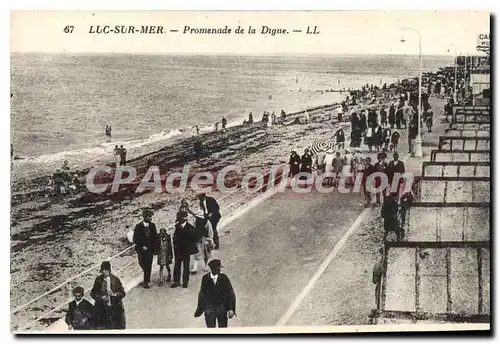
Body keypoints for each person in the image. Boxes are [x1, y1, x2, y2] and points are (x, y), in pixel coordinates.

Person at [194, 259, 236, 328]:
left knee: (223, 330)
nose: (219, 270)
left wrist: (231, 309)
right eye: (218, 268)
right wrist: (200, 309)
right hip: (209, 310)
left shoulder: (224, 278)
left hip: (222, 309)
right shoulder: (205, 278)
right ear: (213, 269)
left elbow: (231, 293)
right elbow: (202, 294)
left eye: (219, 268)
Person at [91, 261, 126, 330]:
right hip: (102, 309)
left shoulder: (115, 279)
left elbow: (123, 293)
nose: (104, 272)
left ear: (109, 270)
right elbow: (93, 293)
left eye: (106, 270)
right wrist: (101, 298)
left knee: (116, 328)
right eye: (103, 270)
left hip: (114, 309)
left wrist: (114, 294)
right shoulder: (98, 280)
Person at [133, 209, 160, 289]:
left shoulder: (152, 225)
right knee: (142, 263)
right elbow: (136, 239)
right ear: (144, 217)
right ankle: (146, 277)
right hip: (141, 250)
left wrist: (156, 247)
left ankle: (146, 281)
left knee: (149, 264)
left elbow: (155, 237)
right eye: (149, 216)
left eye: (151, 216)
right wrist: (142, 246)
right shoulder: (138, 227)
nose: (150, 218)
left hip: (150, 249)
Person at [172, 211, 198, 288]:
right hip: (178, 250)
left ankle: (185, 282)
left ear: (184, 218)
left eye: (180, 218)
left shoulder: (190, 228)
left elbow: (194, 239)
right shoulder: (177, 226)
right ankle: (176, 281)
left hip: (186, 251)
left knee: (186, 266)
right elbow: (175, 237)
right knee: (177, 266)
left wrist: (189, 247)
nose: (178, 219)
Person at [190, 208, 214, 274]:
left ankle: (206, 265)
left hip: (205, 240)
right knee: (197, 253)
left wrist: (209, 240)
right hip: (198, 239)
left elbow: (210, 232)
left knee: (206, 254)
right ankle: (194, 268)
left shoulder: (207, 223)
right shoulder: (195, 222)